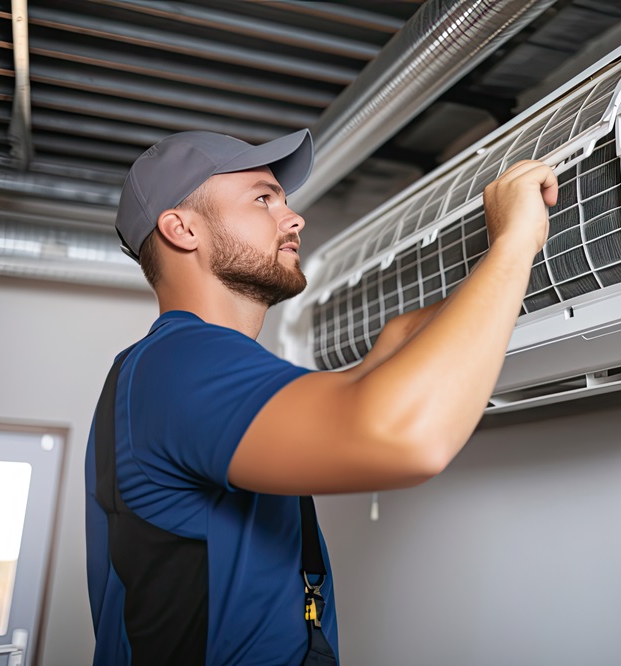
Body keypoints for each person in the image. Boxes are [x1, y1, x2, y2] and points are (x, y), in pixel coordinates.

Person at [84, 128, 556, 665]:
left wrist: (514, 256)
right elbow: (409, 439)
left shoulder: (170, 365)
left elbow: (386, 355)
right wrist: (514, 243)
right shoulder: (182, 364)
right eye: (263, 198)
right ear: (183, 228)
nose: (293, 217)